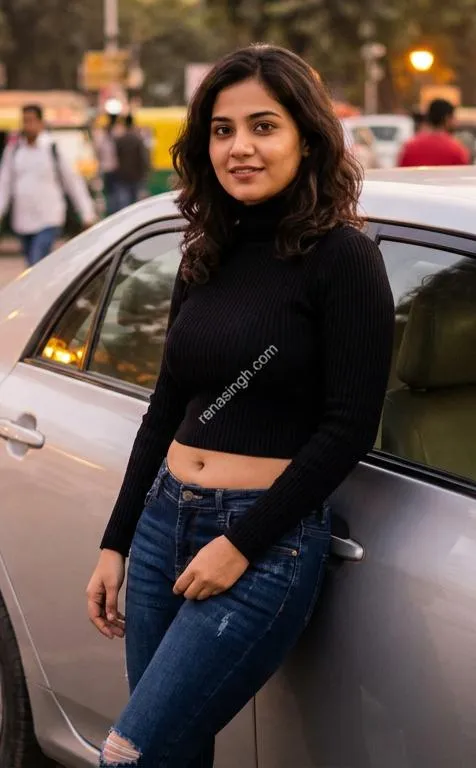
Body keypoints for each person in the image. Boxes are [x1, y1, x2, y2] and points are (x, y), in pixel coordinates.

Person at [86, 44, 394, 768]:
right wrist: (116, 540)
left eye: (264, 126)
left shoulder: (343, 258)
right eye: (223, 131)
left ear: (307, 139)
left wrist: (242, 543)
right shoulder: (207, 247)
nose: (240, 148)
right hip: (165, 523)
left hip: (263, 547)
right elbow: (165, 405)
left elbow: (348, 427)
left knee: (132, 756)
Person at [0, 104, 96, 267]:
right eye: (25, 121)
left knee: (37, 260)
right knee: (32, 265)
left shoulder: (52, 149)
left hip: (48, 217)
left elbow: (72, 182)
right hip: (23, 219)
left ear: (40, 123)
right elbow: (5, 183)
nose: (28, 125)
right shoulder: (15, 150)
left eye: (31, 121)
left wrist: (87, 213)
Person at [398, 99, 470, 167]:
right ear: (447, 119)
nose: (455, 122)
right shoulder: (456, 150)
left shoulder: (410, 147)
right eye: (453, 118)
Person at [114, 113, 150, 210]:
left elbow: (116, 157)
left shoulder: (120, 140)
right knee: (136, 206)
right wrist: (144, 173)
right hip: (136, 176)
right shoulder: (138, 140)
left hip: (123, 175)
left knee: (124, 205)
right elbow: (143, 158)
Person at [94, 113, 121, 216]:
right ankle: (111, 211)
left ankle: (113, 211)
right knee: (110, 193)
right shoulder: (105, 138)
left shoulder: (113, 138)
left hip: (112, 168)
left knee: (113, 193)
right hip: (109, 168)